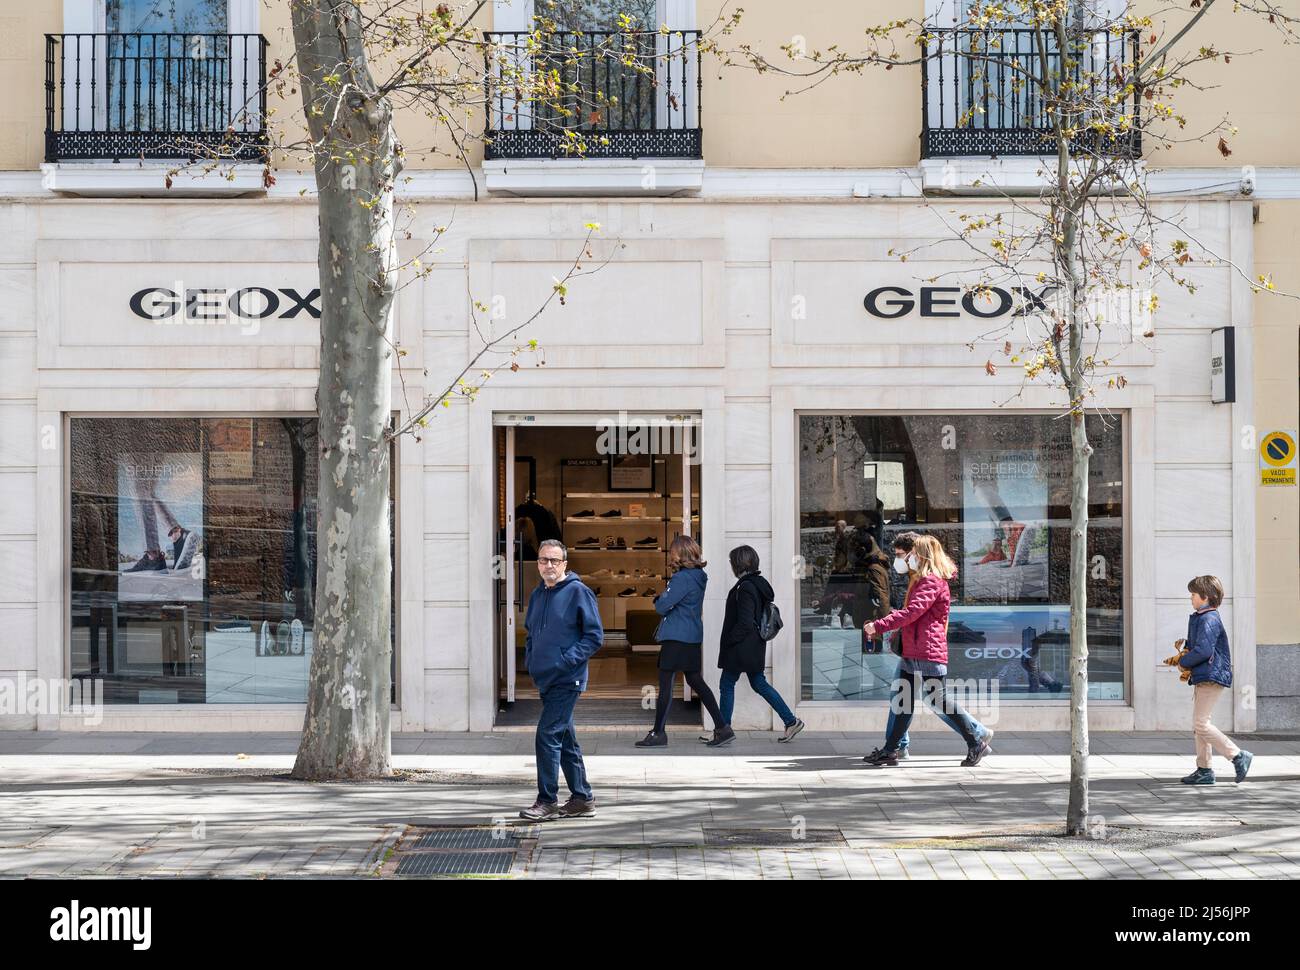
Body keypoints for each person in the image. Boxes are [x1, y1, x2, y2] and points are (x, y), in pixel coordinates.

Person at [862, 532, 993, 762]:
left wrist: (879, 626)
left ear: (922, 555)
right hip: (913, 651)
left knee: (938, 699)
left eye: (911, 554)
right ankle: (891, 749)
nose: (908, 559)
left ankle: (976, 741)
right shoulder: (923, 580)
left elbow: (913, 613)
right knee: (902, 700)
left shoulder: (931, 581)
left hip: (927, 652)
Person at [519, 539, 603, 820]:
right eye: (543, 560)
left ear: (565, 564)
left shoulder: (579, 592)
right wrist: (531, 660)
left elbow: (594, 637)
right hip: (546, 678)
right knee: (565, 739)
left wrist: (565, 660)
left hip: (568, 679)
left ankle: (547, 800)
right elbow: (531, 632)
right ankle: (582, 797)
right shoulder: (538, 593)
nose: (548, 565)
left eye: (554, 560)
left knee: (547, 735)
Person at [636, 536, 731, 748]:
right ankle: (723, 727)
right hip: (692, 636)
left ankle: (658, 733)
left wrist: (660, 599)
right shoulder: (699, 576)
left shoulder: (682, 579)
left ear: (681, 554)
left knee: (666, 684)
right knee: (696, 681)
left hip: (676, 637)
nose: (671, 556)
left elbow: (662, 606)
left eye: (673, 553)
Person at [1168, 575, 1252, 785]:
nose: (1191, 598)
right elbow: (1203, 645)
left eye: (1193, 594)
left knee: (1201, 723)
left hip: (1210, 675)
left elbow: (1205, 650)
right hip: (1205, 674)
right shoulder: (1203, 616)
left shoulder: (1208, 618)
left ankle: (1238, 755)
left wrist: (1184, 660)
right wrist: (1187, 646)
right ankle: (1204, 770)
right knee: (1200, 724)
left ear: (1205, 597)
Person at [716, 545, 804, 743]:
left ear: (739, 564)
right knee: (758, 683)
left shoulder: (746, 587)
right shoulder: (757, 584)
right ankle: (790, 721)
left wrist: (730, 639)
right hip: (753, 647)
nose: (730, 565)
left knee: (727, 684)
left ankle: (724, 730)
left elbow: (745, 622)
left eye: (732, 562)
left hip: (741, 647)